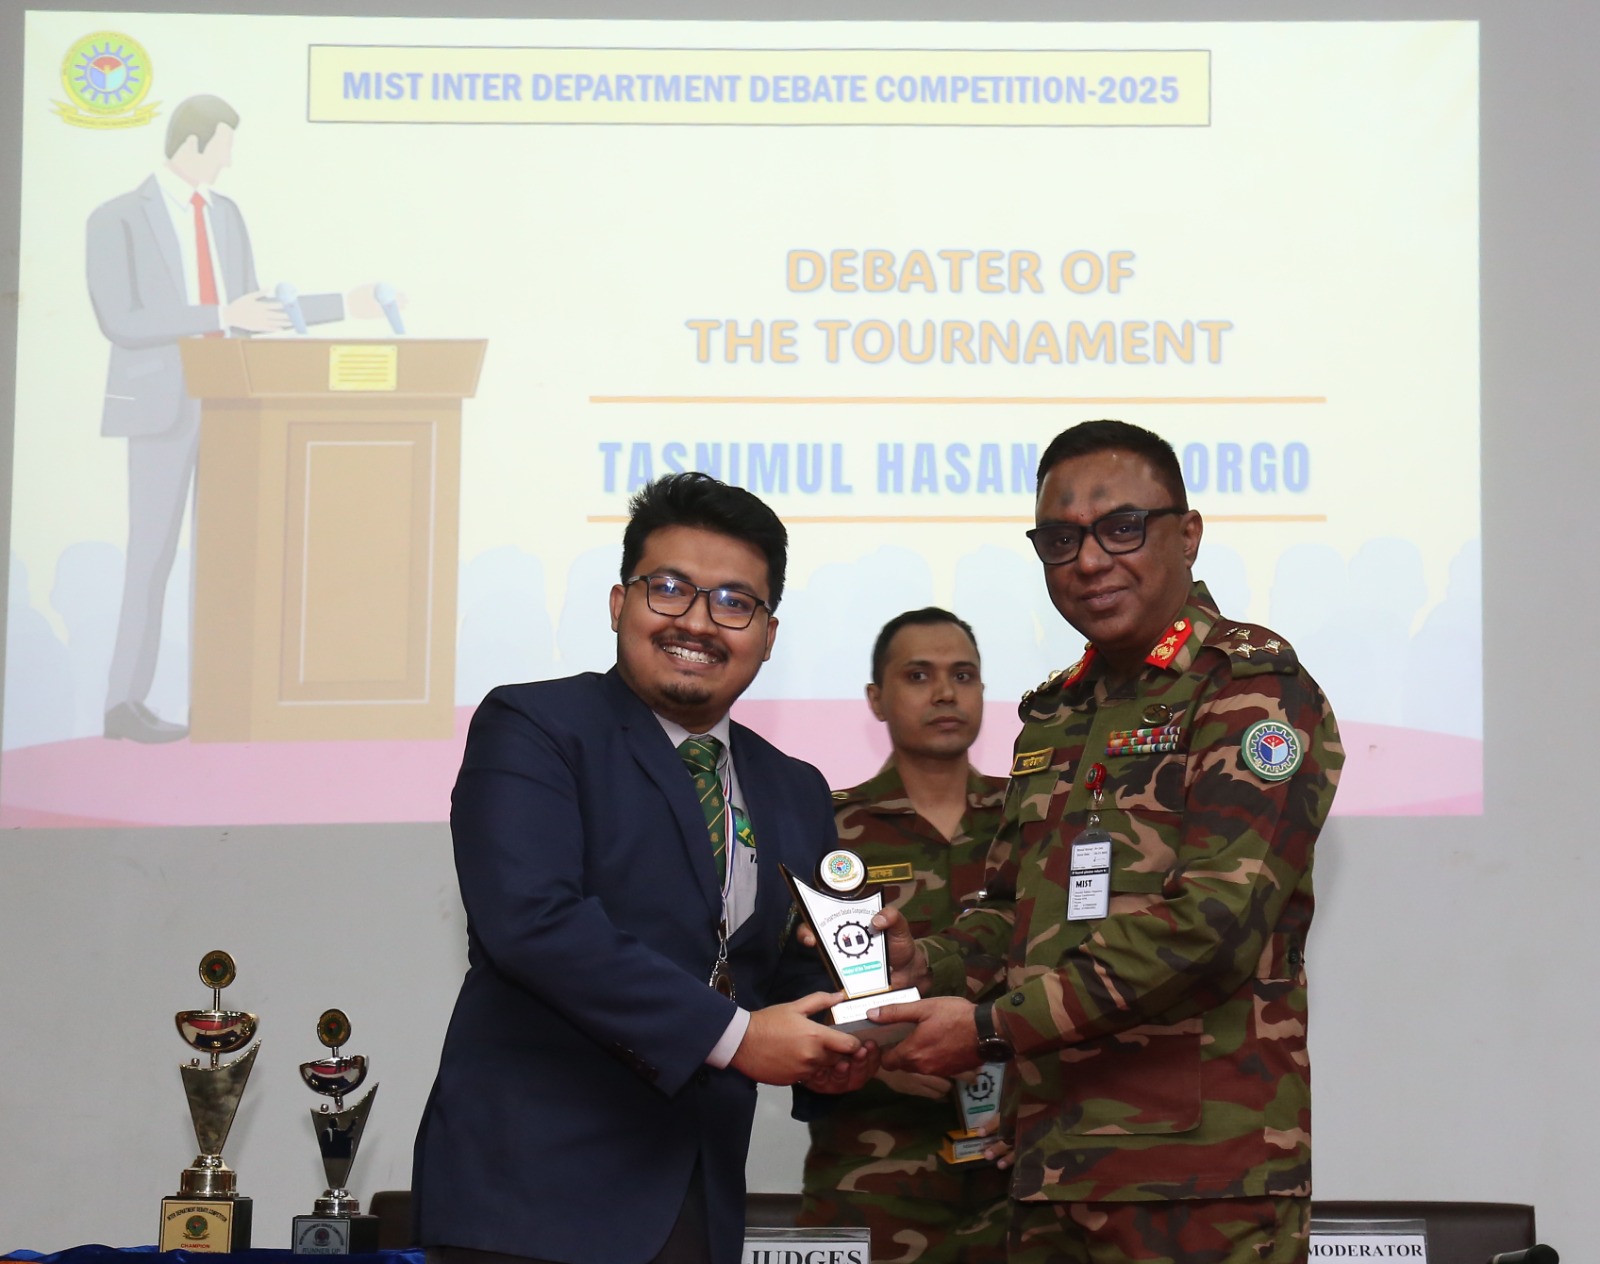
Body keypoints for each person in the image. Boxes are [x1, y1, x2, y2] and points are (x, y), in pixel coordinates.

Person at [865, 420, 1344, 1264]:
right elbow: (1014, 914)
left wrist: (992, 1026)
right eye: (1060, 539)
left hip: (1200, 1178)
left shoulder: (1250, 688)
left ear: (1187, 535)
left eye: (1121, 528)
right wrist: (925, 965)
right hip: (1051, 1166)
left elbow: (1215, 924)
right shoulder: (1057, 711)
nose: (1089, 561)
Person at [413, 472, 876, 1264]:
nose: (696, 621)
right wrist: (738, 1037)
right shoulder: (533, 726)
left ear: (767, 634)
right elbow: (533, 923)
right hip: (529, 1200)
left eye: (734, 602)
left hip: (695, 1200)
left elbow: (787, 973)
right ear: (619, 602)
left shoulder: (794, 787)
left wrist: (850, 1025)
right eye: (669, 589)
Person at [86, 94, 387, 742]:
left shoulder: (225, 215)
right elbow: (122, 320)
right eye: (224, 146)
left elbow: (252, 310)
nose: (228, 160)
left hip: (233, 409)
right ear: (193, 143)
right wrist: (221, 316)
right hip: (162, 408)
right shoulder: (117, 218)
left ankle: (219, 702)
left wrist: (343, 304)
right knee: (151, 557)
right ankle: (123, 705)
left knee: (226, 561)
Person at [796, 608, 1009, 1263]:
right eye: (918, 675)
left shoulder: (1033, 821)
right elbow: (780, 988)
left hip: (1024, 1165)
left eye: (963, 675)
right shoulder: (826, 827)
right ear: (875, 699)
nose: (945, 693)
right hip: (873, 1171)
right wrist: (880, 1059)